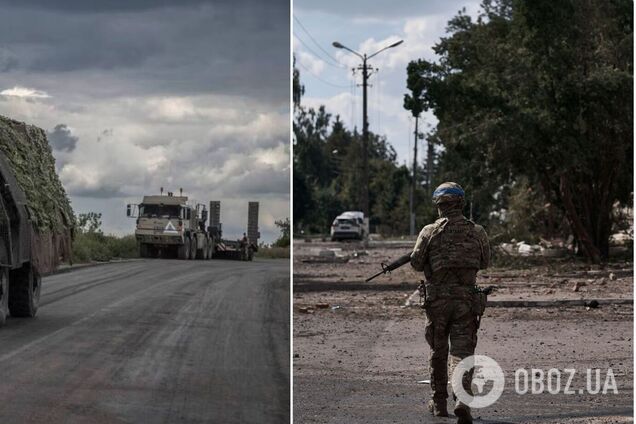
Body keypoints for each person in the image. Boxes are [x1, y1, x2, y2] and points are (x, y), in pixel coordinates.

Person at [410, 182, 490, 423]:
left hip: (437, 303)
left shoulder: (428, 232)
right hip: (466, 301)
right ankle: (463, 400)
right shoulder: (477, 232)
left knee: (438, 351)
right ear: (461, 203)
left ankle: (438, 403)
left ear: (439, 206)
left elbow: (415, 263)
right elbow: (485, 262)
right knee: (462, 353)